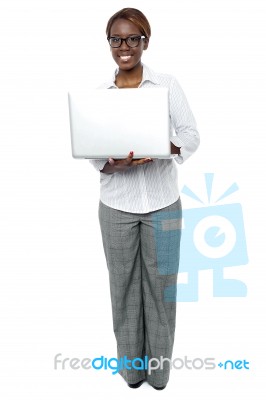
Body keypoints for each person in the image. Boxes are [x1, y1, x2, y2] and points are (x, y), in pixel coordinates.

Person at [89, 7, 200, 390]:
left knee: (161, 290)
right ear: (109, 44)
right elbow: (91, 152)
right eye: (116, 39)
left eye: (132, 39)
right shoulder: (100, 95)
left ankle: (159, 373)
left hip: (163, 202)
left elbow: (190, 135)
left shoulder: (167, 85)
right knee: (123, 288)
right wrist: (111, 164)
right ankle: (132, 371)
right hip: (116, 206)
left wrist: (163, 146)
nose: (125, 47)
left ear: (145, 42)